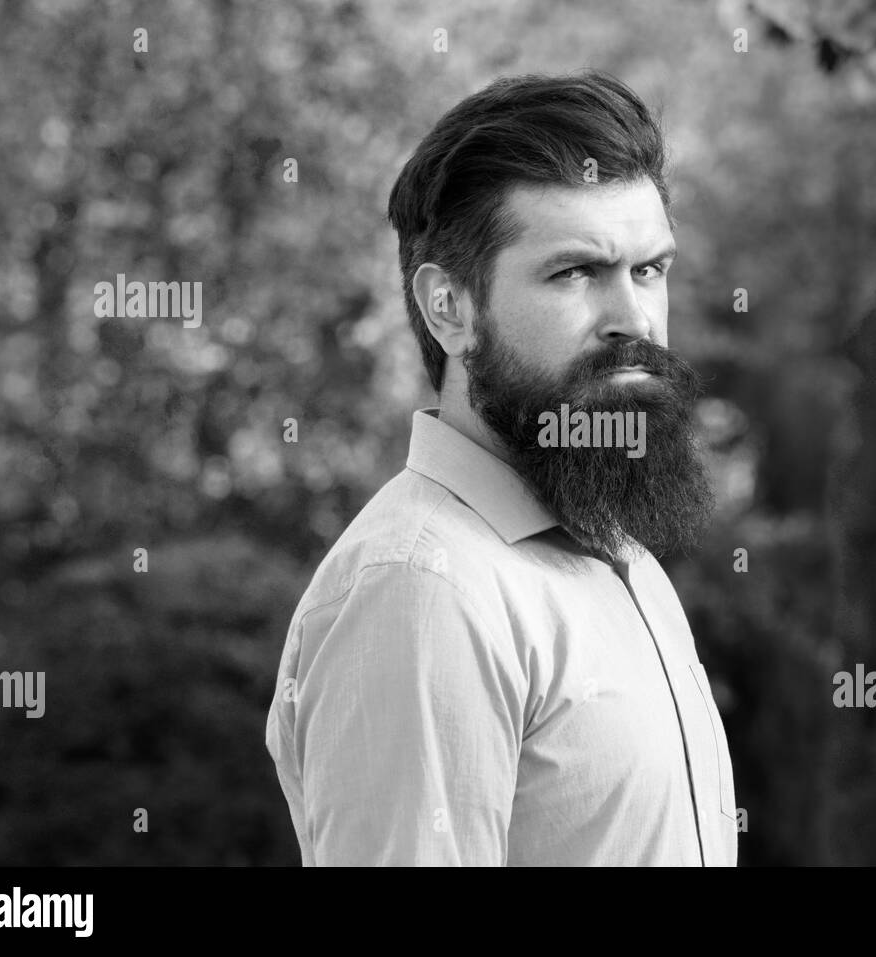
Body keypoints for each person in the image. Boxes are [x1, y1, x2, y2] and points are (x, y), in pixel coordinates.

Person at [265, 69, 738, 866]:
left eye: (649, 270)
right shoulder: (421, 587)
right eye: (576, 272)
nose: (634, 319)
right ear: (448, 306)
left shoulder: (615, 543)